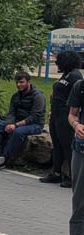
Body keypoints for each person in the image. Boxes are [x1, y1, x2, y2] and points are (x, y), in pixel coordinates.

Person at [50, 76, 84, 235]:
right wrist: (76, 125)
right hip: (81, 149)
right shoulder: (80, 87)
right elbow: (72, 114)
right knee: (79, 199)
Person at [0, 71, 46, 169]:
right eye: (17, 82)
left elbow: (35, 116)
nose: (19, 85)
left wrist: (16, 125)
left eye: (21, 82)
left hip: (34, 124)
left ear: (29, 82)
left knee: (17, 132)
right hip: (17, 122)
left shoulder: (38, 96)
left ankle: (5, 159)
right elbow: (11, 113)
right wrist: (9, 123)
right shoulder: (16, 96)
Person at [42, 50, 81, 187]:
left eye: (59, 62)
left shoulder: (75, 76)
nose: (57, 65)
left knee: (67, 144)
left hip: (66, 114)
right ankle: (56, 172)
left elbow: (76, 97)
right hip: (56, 113)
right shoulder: (65, 74)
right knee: (57, 143)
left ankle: (72, 176)